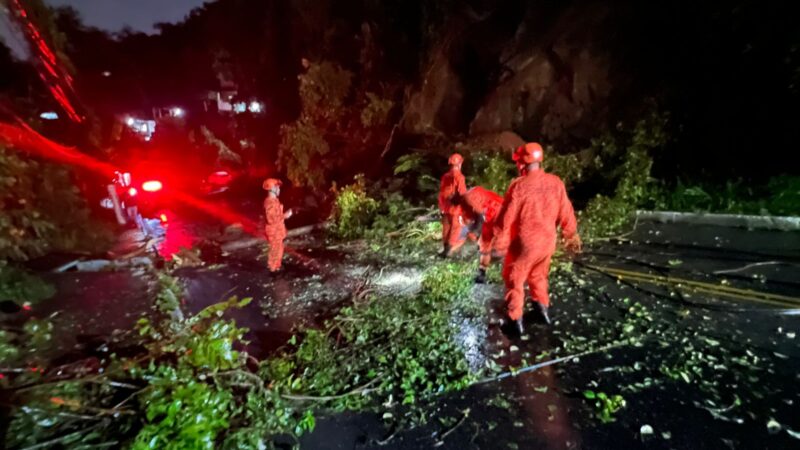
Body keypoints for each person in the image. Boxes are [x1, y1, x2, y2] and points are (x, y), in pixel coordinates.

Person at [493, 143, 582, 333]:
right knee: (538, 275)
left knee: (514, 278)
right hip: (548, 242)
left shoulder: (519, 186)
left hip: (525, 244)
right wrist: (571, 236)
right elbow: (566, 212)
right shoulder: (556, 182)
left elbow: (504, 219)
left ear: (522, 164)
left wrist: (498, 243)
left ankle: (514, 321)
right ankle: (542, 310)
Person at [459, 186, 505, 283]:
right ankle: (483, 273)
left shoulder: (469, 199)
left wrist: (474, 232)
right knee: (486, 246)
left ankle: (486, 273)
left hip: (497, 217)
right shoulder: (472, 195)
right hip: (498, 215)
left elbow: (480, 217)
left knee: (495, 246)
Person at [438, 153, 467, 257]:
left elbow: (441, 193)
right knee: (456, 229)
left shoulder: (445, 176)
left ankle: (445, 249)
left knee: (446, 228)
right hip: (455, 208)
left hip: (445, 208)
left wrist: (441, 207)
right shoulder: (460, 177)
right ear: (460, 163)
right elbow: (462, 193)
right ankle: (448, 252)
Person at [263, 178, 292, 272]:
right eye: (277, 188)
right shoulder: (270, 203)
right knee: (275, 250)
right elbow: (272, 219)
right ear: (272, 189)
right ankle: (273, 270)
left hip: (277, 231)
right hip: (274, 231)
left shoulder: (274, 201)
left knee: (278, 249)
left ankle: (276, 266)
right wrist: (285, 216)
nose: (279, 190)